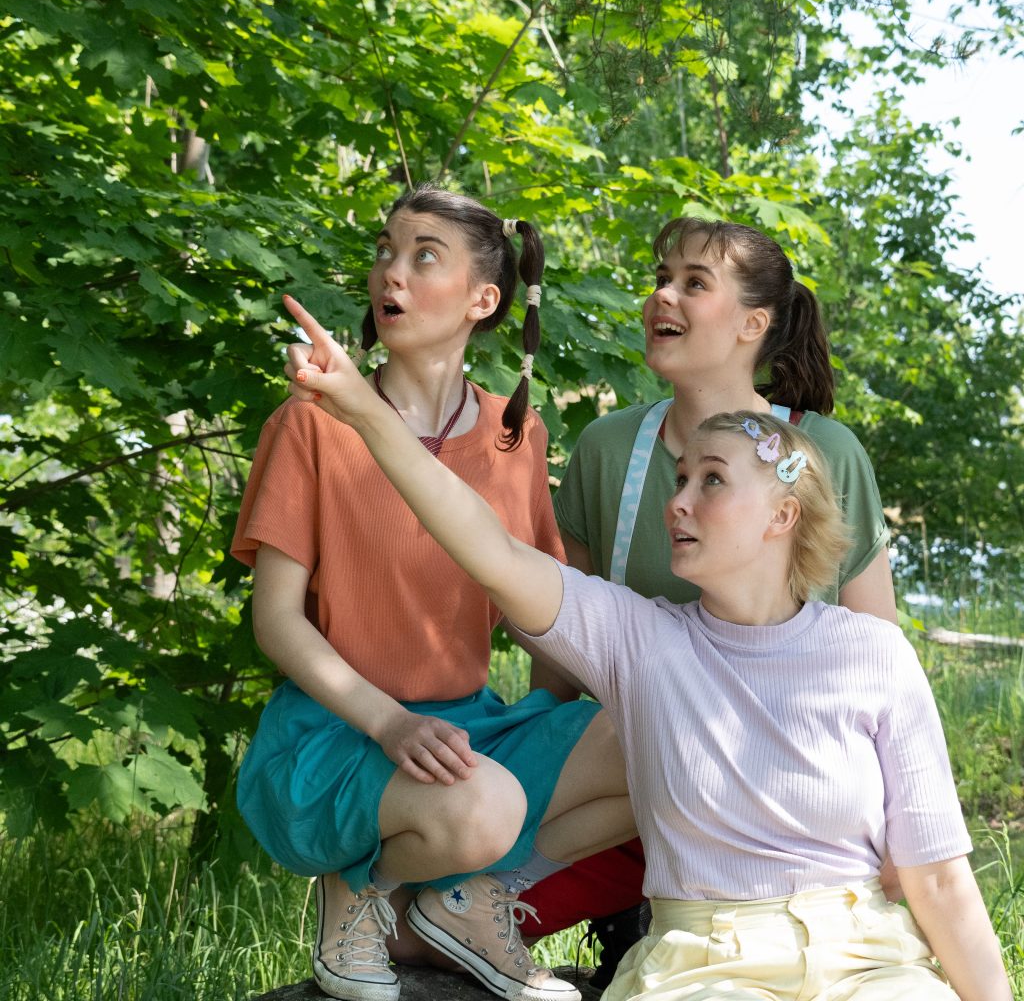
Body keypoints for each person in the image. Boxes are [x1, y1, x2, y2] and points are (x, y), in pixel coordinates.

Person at [279, 316, 1012, 1001]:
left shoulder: (871, 653)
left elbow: (942, 881)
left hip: (873, 960)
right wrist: (363, 410)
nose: (679, 501)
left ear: (783, 516)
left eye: (712, 480)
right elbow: (490, 549)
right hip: (702, 965)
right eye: (681, 478)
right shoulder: (640, 639)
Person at [231, 185, 634, 1001]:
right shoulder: (312, 422)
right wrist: (389, 720)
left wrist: (584, 715)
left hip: (466, 729)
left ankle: (462, 900)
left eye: (424, 257)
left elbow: (535, 616)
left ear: (483, 300)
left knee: (664, 745)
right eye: (386, 252)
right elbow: (274, 620)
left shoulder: (514, 434)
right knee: (482, 806)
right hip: (337, 734)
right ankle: (358, 892)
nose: (393, 275)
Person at [523, 216, 901, 977]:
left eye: (694, 283)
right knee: (413, 927)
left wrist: (899, 851)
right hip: (630, 798)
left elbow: (880, 664)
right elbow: (560, 673)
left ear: (753, 325)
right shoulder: (606, 451)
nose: (663, 295)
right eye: (662, 278)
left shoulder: (825, 454)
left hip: (789, 812)